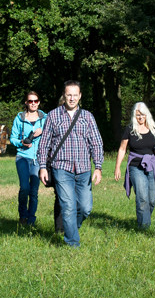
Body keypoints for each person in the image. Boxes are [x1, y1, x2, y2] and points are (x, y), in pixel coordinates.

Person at [37, 80, 104, 247]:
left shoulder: (88, 116)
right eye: (69, 95)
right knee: (68, 206)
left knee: (85, 208)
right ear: (64, 95)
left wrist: (98, 167)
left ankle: (71, 227)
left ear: (80, 96)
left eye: (75, 95)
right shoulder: (53, 115)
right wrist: (43, 167)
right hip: (61, 168)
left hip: (83, 169)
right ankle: (72, 243)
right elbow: (44, 143)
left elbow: (96, 143)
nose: (72, 98)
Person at [114, 102, 155, 229]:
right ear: (134, 116)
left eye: (142, 115)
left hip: (153, 165)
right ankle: (144, 228)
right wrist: (117, 167)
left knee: (151, 200)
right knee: (142, 199)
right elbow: (122, 149)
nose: (140, 118)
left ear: (147, 115)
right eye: (137, 115)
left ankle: (144, 220)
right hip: (136, 166)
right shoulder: (130, 129)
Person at [10, 91, 47, 226]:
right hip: (23, 157)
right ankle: (22, 216)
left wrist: (44, 131)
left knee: (34, 191)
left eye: (35, 101)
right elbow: (12, 138)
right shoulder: (19, 118)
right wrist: (22, 143)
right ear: (26, 103)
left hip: (38, 158)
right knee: (24, 187)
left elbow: (53, 135)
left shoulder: (45, 118)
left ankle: (31, 219)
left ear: (38, 102)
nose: (33, 103)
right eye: (30, 101)